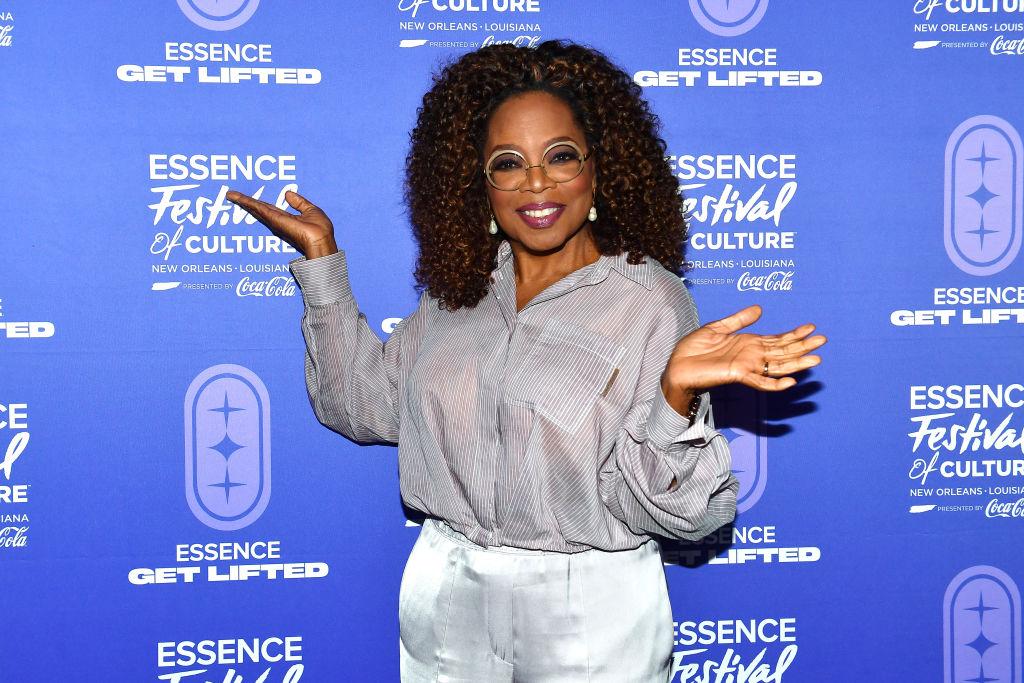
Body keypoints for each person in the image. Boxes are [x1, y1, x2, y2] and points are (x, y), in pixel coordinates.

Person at [227, 40, 825, 682]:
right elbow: (361, 406)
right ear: (477, 183)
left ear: (602, 168)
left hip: (588, 611)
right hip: (446, 594)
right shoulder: (461, 290)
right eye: (507, 164)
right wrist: (322, 263)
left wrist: (673, 396)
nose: (536, 183)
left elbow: (688, 516)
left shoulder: (648, 300)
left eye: (560, 157)